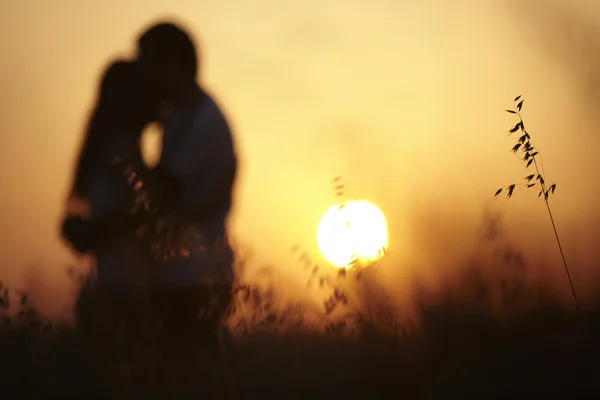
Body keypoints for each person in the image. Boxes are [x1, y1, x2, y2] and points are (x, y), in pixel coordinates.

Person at [135, 21, 238, 358]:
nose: (145, 78)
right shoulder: (184, 116)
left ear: (173, 65)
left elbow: (164, 191)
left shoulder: (204, 120)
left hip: (194, 277)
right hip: (183, 274)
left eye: (149, 65)